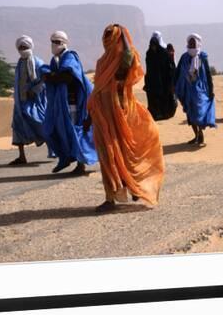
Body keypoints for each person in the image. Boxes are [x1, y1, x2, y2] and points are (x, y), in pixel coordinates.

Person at [86, 24, 165, 213]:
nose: (106, 39)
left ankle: (134, 185)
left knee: (124, 154)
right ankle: (110, 197)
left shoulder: (123, 59)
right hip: (102, 115)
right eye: (104, 35)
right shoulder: (102, 61)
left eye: (110, 35)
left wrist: (123, 38)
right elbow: (98, 89)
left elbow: (128, 61)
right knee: (107, 155)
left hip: (120, 114)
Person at [40, 30, 97, 174]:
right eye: (53, 41)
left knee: (74, 132)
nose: (55, 44)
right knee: (53, 130)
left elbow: (68, 77)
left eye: (58, 42)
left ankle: (80, 164)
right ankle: (65, 158)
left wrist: (51, 76)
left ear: (64, 43)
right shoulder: (56, 59)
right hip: (60, 104)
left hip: (73, 104)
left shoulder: (70, 57)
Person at [9, 35, 51, 164]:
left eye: (25, 47)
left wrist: (35, 90)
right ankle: (22, 157)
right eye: (21, 47)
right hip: (20, 101)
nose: (23, 49)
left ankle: (55, 150)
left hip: (35, 101)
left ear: (30, 46)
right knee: (17, 126)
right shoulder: (20, 63)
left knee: (41, 123)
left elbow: (46, 79)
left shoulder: (38, 62)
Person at [174, 33, 216, 146]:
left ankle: (201, 134)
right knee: (190, 113)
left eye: (193, 42)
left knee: (199, 112)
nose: (191, 44)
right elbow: (178, 72)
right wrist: (174, 85)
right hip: (186, 89)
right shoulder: (184, 57)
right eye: (190, 42)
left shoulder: (202, 57)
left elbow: (207, 73)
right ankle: (196, 135)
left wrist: (211, 89)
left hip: (200, 90)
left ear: (197, 43)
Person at [144, 31, 176, 120]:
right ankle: (155, 113)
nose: (153, 47)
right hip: (152, 80)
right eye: (152, 45)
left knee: (163, 97)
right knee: (153, 98)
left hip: (163, 80)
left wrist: (171, 81)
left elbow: (170, 67)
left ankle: (164, 113)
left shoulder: (164, 53)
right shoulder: (149, 53)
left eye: (155, 45)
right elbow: (148, 66)